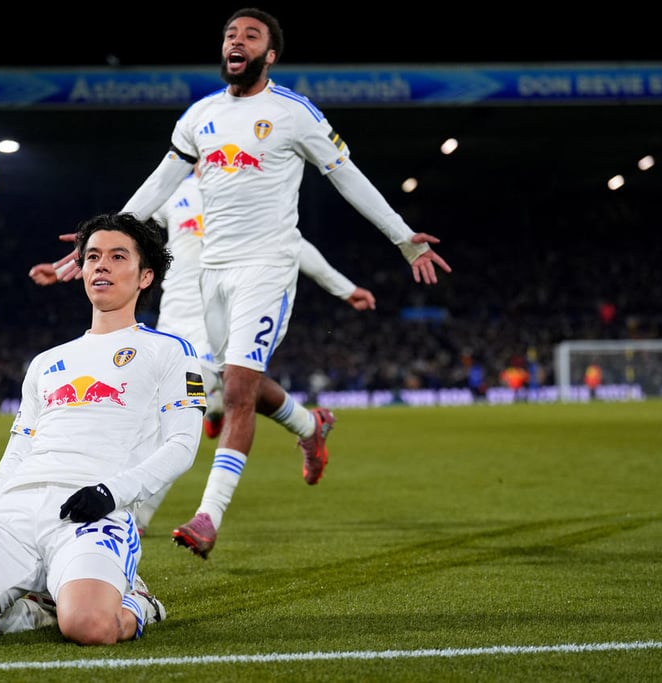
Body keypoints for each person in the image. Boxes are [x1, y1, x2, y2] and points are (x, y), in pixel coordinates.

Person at [106, 8, 453, 560]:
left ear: (269, 55)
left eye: (250, 36)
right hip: (211, 277)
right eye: (229, 35)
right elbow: (159, 182)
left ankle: (206, 517)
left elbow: (348, 177)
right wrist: (102, 239)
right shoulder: (200, 117)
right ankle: (311, 426)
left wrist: (402, 236)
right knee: (239, 384)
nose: (235, 42)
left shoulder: (294, 114)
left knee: (237, 392)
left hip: (266, 268)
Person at [0, 212, 204, 645]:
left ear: (145, 277)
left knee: (90, 627)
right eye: (93, 257)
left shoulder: (169, 351)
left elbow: (182, 445)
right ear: (81, 270)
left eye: (117, 257)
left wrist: (110, 494)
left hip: (94, 513)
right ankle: (33, 613)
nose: (101, 265)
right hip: (15, 513)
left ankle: (138, 600)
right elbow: (18, 452)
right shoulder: (46, 362)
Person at [28, 164, 377, 535]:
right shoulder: (175, 191)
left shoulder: (244, 194)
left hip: (219, 314)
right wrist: (68, 264)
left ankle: (138, 517)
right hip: (173, 316)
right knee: (232, 388)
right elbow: (124, 231)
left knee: (173, 411)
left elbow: (293, 244)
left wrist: (342, 287)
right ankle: (309, 424)